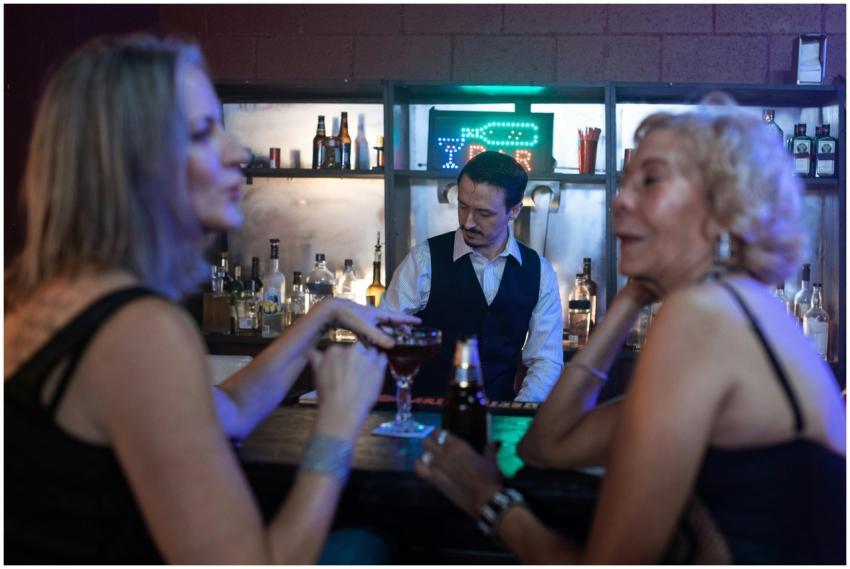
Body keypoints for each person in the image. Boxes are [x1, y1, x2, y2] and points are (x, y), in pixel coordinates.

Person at [4, 34, 420, 564]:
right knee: (375, 542)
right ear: (132, 160)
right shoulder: (137, 329)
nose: (238, 153)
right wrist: (338, 427)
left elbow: (233, 409)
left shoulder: (43, 297)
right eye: (203, 133)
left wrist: (327, 312)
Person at [415, 99, 845, 563]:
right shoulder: (738, 308)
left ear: (723, 206)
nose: (621, 199)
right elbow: (546, 445)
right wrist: (630, 299)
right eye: (626, 181)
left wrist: (488, 502)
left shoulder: (704, 318)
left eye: (652, 180)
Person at [381, 151, 563, 402]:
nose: (468, 222)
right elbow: (384, 333)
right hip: (429, 415)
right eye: (463, 206)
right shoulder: (424, 260)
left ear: (514, 211)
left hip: (498, 416)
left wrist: (518, 412)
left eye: (484, 214)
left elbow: (546, 360)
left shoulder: (539, 272)